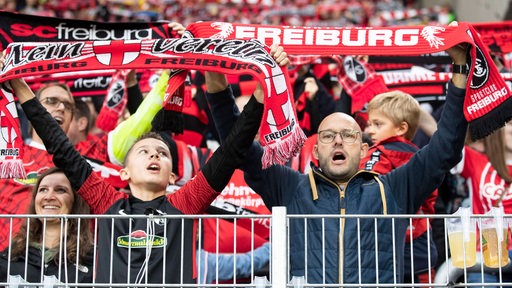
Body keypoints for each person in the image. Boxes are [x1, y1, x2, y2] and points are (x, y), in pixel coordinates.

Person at [207, 23, 469, 284]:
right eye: (328, 136)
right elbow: (237, 146)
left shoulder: (394, 189)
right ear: (316, 151)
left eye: (349, 135)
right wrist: (213, 71)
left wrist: (460, 69)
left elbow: (445, 148)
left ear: (365, 148)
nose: (338, 141)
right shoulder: (290, 187)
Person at [7, 44, 289, 285]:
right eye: (143, 151)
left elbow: (232, 150)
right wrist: (18, 84)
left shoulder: (186, 202)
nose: (154, 156)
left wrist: (265, 89)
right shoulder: (106, 201)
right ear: (123, 171)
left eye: (162, 153)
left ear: (172, 176)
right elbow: (61, 148)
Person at [0, 24, 182, 251]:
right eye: (50, 101)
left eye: (68, 105)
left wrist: (173, 62)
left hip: (66, 266)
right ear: (31, 106)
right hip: (9, 266)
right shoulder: (8, 153)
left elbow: (139, 122)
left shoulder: (88, 152)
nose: (60, 108)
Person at [362, 90, 438, 284]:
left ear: (401, 128)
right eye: (370, 124)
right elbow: (430, 200)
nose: (370, 130)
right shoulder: (423, 158)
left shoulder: (376, 153)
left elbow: (364, 188)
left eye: (378, 124)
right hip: (421, 246)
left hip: (382, 245)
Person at [0, 167, 94, 286]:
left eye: (60, 190)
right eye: (43, 190)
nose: (49, 196)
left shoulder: (94, 260)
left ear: (75, 202)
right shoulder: (10, 255)